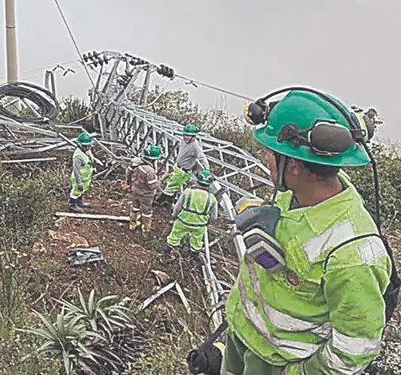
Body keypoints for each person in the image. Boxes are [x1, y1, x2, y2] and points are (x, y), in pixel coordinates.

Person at [224, 90, 393, 375]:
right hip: (242, 335)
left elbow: (353, 351)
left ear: (292, 165)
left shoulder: (353, 255)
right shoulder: (298, 190)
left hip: (277, 362)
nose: (266, 160)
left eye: (269, 154)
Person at [165, 169, 218, 262]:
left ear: (197, 181)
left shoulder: (187, 192)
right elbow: (214, 216)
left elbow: (177, 208)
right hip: (199, 225)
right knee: (197, 241)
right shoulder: (212, 199)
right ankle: (193, 255)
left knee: (175, 236)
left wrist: (174, 216)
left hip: (183, 221)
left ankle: (170, 251)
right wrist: (206, 222)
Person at [159, 123, 209, 206]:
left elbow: (202, 157)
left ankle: (163, 201)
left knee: (171, 187)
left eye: (188, 135)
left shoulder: (195, 146)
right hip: (177, 166)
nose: (185, 137)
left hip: (183, 170)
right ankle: (168, 201)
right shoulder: (184, 141)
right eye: (185, 135)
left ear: (193, 136)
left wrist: (207, 169)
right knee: (170, 184)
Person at [128, 144, 162, 235]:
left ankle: (132, 225)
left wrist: (128, 182)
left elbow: (128, 173)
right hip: (146, 195)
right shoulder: (150, 171)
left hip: (135, 189)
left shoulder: (135, 162)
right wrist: (160, 182)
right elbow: (152, 185)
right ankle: (145, 231)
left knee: (135, 207)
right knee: (147, 212)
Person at [69, 132, 97, 212]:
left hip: (85, 177)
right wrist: (79, 182)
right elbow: (76, 170)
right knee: (75, 191)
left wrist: (93, 167)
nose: (89, 147)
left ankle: (79, 201)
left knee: (82, 190)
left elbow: (90, 160)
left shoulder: (87, 151)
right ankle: (72, 205)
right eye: (87, 146)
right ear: (81, 145)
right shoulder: (78, 156)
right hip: (79, 178)